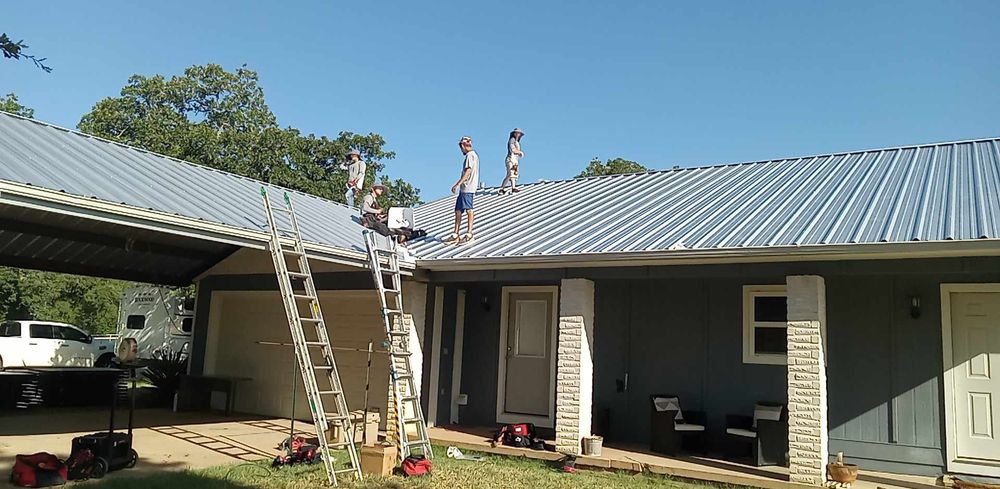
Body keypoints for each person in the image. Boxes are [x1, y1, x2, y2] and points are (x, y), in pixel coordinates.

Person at [361, 184, 425, 244]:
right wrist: (377, 211)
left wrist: (380, 215)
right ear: (373, 189)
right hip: (369, 220)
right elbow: (365, 208)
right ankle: (396, 237)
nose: (381, 190)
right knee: (383, 227)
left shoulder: (374, 200)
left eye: (382, 189)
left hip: (373, 219)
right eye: (379, 188)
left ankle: (408, 233)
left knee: (392, 223)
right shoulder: (369, 197)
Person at [448, 136, 479, 244]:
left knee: (469, 209)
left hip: (467, 187)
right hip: (464, 189)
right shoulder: (472, 155)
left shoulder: (470, 156)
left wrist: (457, 184)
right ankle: (455, 234)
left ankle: (469, 233)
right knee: (458, 210)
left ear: (463, 146)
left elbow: (468, 171)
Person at [499, 128, 524, 194]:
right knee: (511, 173)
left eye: (519, 133)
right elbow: (512, 150)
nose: (518, 134)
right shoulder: (512, 140)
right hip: (510, 159)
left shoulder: (516, 141)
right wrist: (520, 152)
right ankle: (508, 188)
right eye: (517, 133)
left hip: (515, 160)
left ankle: (508, 188)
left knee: (512, 174)